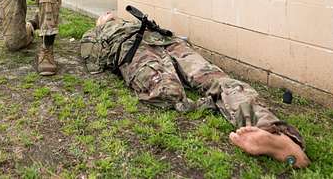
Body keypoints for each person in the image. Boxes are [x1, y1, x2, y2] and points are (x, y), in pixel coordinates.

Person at [81, 11, 310, 168]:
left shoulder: (131, 21)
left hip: (166, 44)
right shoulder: (99, 32)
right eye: (106, 16)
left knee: (222, 82)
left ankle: (277, 136)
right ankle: (267, 133)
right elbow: (94, 63)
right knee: (166, 92)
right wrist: (100, 30)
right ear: (100, 21)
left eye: (111, 15)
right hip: (135, 50)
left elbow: (94, 63)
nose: (109, 15)